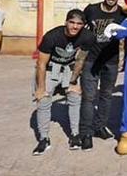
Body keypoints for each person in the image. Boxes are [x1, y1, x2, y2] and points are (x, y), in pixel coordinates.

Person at [32, 9, 94, 155]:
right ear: (66, 22)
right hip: (50, 68)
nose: (75, 26)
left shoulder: (87, 36)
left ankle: (75, 135)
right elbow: (41, 64)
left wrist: (73, 81)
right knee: (43, 101)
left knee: (74, 97)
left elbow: (80, 59)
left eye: (79, 24)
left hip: (68, 68)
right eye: (72, 22)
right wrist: (41, 87)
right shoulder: (52, 36)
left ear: (83, 25)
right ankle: (43, 138)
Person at [79, 0, 125, 151]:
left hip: (111, 60)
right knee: (89, 97)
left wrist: (123, 59)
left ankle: (99, 126)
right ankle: (86, 133)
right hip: (91, 59)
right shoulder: (91, 9)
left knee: (106, 95)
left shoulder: (122, 13)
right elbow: (78, 28)